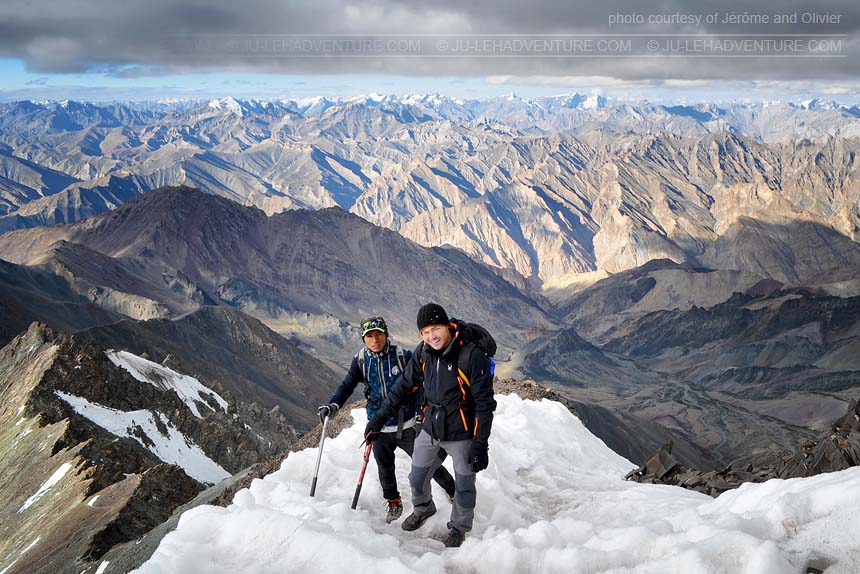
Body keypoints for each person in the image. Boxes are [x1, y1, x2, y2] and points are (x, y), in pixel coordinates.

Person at [364, 303, 496, 548]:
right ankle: (424, 508)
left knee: (464, 484)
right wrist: (378, 419)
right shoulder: (424, 352)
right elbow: (402, 387)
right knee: (417, 476)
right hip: (431, 427)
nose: (431, 336)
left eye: (435, 328)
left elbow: (484, 404)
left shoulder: (469, 355)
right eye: (424, 332)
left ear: (447, 326)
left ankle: (459, 527)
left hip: (462, 432)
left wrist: (480, 444)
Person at [318, 315, 455, 523]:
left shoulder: (402, 355)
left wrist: (420, 414)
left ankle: (453, 490)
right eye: (369, 336)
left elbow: (420, 384)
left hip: (407, 422)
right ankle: (393, 501)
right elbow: (347, 386)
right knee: (385, 468)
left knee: (428, 464)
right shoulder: (361, 360)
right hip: (378, 425)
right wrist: (334, 405)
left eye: (378, 334)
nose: (375, 340)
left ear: (386, 334)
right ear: (364, 338)